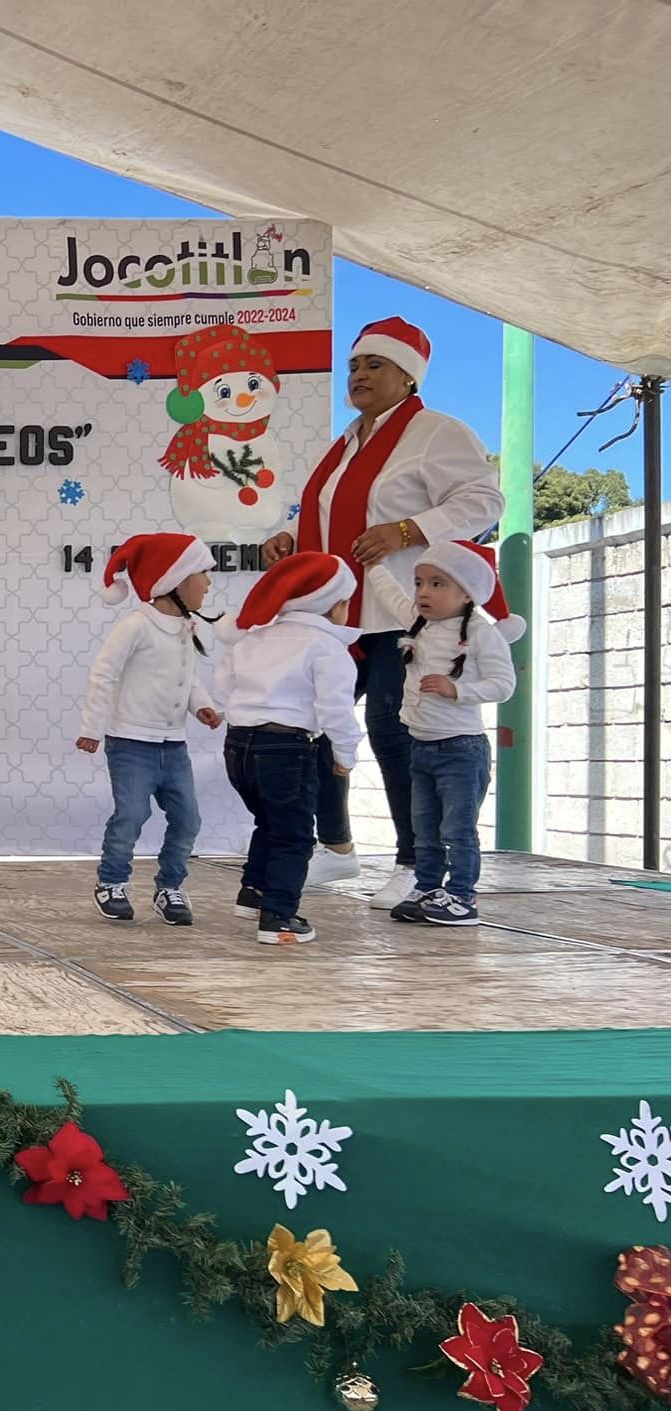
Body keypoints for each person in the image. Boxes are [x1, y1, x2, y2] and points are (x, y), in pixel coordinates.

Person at [263, 317, 503, 913]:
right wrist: (290, 538)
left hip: (402, 611)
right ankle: (337, 846)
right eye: (354, 365)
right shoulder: (346, 443)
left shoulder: (434, 432)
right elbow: (336, 511)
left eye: (374, 365)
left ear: (408, 376)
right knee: (312, 726)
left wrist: (408, 531)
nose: (360, 375)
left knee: (395, 733)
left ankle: (415, 862)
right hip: (341, 613)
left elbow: (485, 499)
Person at [364, 543, 521, 926]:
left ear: (466, 592)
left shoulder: (482, 634)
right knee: (424, 829)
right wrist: (374, 567)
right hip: (420, 747)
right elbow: (391, 595)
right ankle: (428, 888)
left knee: (457, 829)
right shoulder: (418, 622)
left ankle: (463, 897)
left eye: (437, 584)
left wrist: (458, 691)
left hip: (461, 751)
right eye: (420, 583)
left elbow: (504, 684)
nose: (423, 593)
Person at [213, 554, 361, 946]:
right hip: (286, 746)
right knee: (294, 835)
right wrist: (345, 755)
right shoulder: (327, 646)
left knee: (268, 820)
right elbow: (336, 709)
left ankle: (254, 893)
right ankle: (279, 916)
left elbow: (222, 685)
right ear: (334, 605)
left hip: (237, 745)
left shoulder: (256, 636)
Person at [78, 533, 223, 925]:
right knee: (131, 814)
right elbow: (103, 674)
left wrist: (204, 706)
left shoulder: (185, 628)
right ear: (174, 580)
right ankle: (112, 881)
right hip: (131, 742)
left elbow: (189, 677)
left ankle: (170, 886)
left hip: (173, 745)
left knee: (188, 818)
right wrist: (91, 726)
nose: (209, 584)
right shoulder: (136, 626)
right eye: (202, 575)